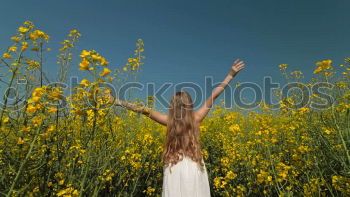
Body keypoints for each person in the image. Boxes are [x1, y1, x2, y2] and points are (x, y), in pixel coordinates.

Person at [105, 59, 245, 197]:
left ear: (172, 106)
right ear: (189, 105)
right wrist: (231, 75)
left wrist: (116, 101)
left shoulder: (169, 121)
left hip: (174, 166)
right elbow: (214, 96)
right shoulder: (196, 119)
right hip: (194, 165)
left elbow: (142, 109)